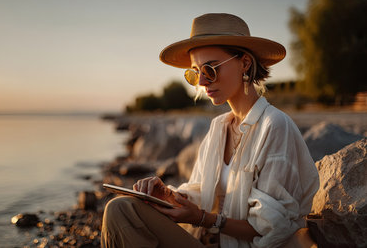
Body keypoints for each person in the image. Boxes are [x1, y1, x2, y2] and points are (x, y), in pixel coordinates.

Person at [101, 13, 320, 248]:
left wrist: (202, 219)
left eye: (211, 69)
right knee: (121, 207)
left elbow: (270, 229)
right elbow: (199, 191)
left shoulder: (275, 126)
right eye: (195, 73)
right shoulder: (219, 127)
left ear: (244, 63)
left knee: (119, 212)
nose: (202, 82)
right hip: (205, 241)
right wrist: (167, 196)